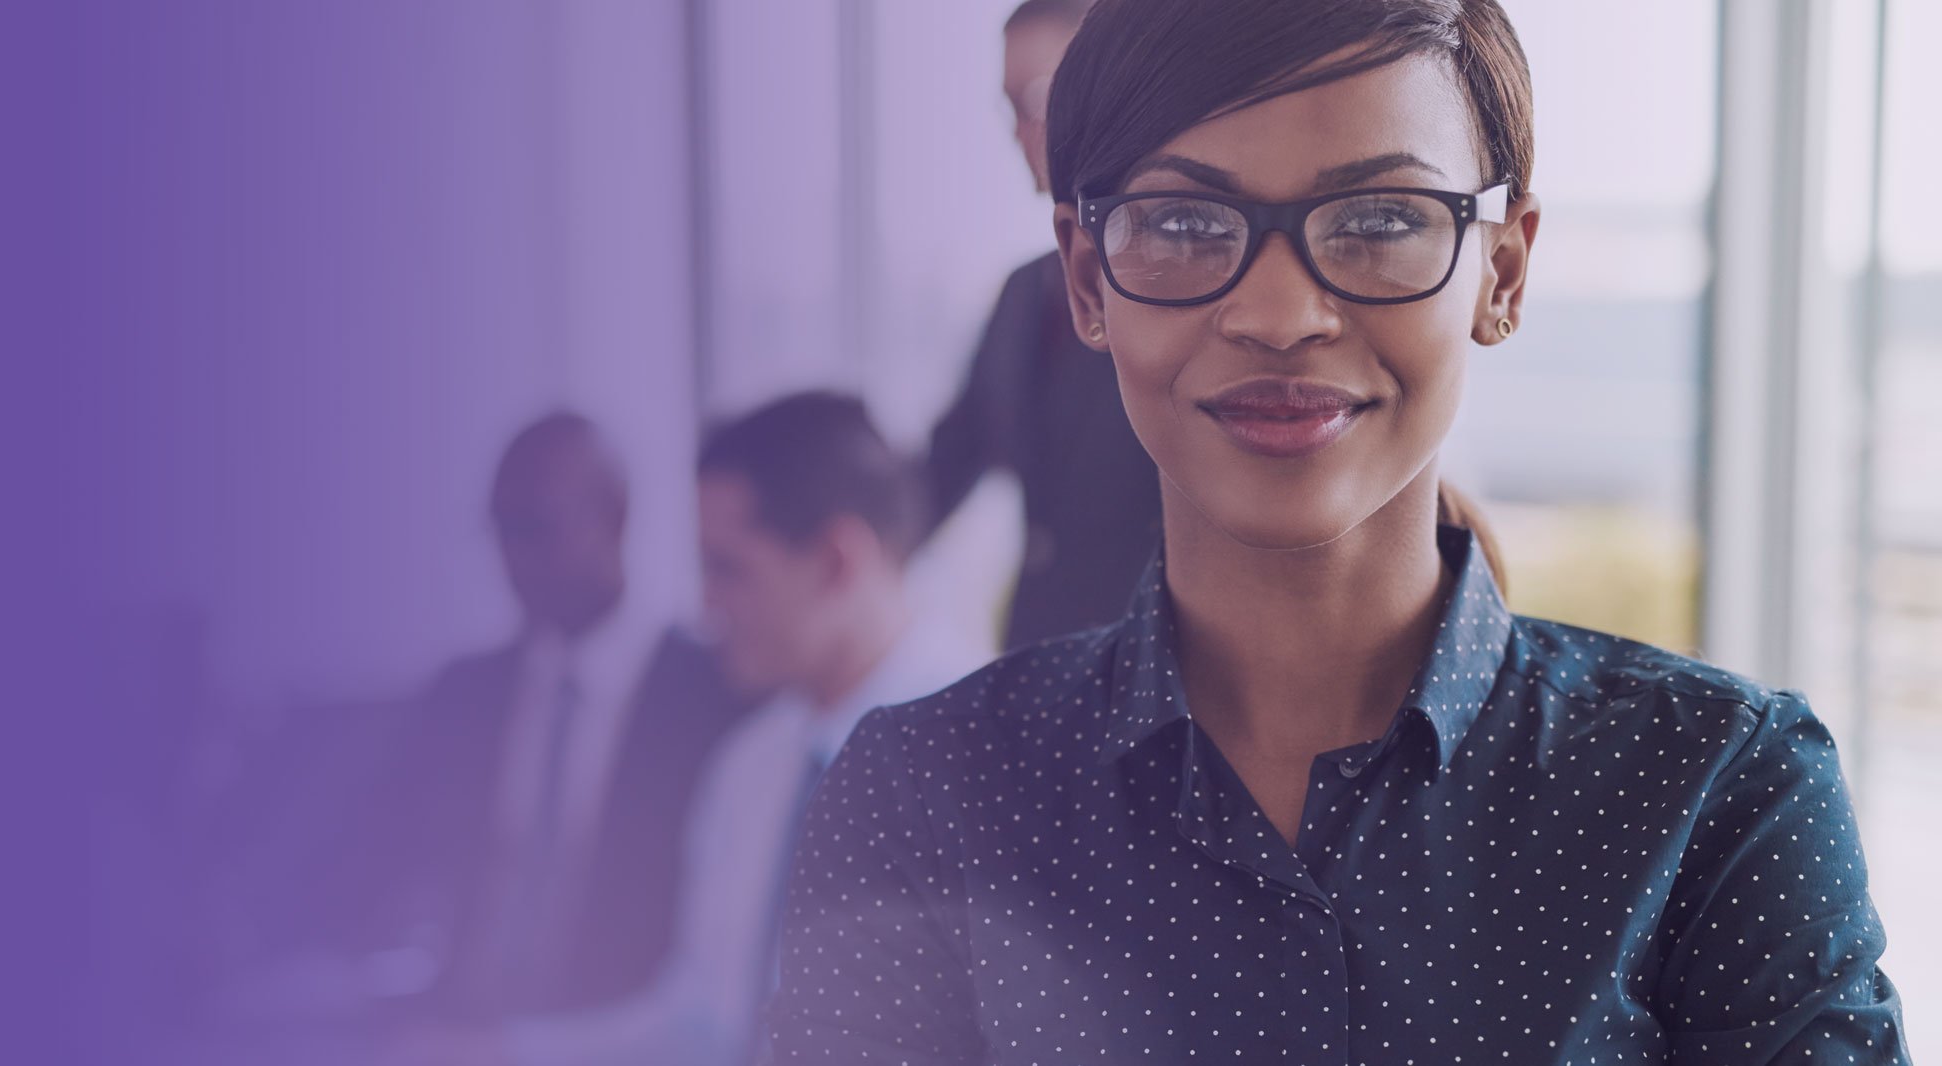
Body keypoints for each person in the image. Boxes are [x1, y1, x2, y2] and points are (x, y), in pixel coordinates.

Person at [761, 1, 1909, 1062]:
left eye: (1375, 221)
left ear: (1499, 272)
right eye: (1182, 221)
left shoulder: (1717, 788)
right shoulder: (922, 795)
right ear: (1085, 278)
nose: (1275, 314)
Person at [254, 413, 759, 1062]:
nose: (515, 559)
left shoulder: (713, 699)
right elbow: (367, 860)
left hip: (611, 1044)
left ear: (616, 514)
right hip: (451, 1031)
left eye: (537, 528)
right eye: (501, 532)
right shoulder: (463, 696)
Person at [498, 393, 981, 1066]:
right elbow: (702, 1026)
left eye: (728, 568)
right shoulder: (748, 765)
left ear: (837, 562)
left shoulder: (998, 767)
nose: (706, 605)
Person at [923, 0, 1162, 652]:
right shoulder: (1023, 292)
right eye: (1010, 106)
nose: (1019, 130)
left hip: (1156, 664)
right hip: (1039, 654)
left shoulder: (1183, 282)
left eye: (1037, 95)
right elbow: (949, 459)